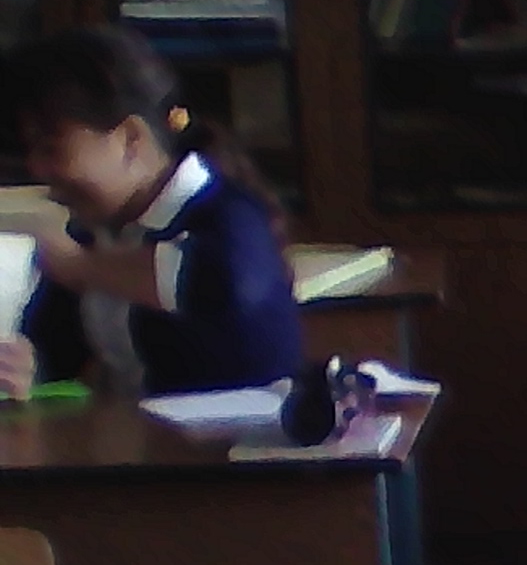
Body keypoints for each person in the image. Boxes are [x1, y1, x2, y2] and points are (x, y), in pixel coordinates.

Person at [0, 24, 301, 400]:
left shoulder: (231, 215)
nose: (37, 169)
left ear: (131, 139)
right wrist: (28, 370)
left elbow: (216, 283)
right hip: (137, 435)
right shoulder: (93, 231)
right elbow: (54, 352)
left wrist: (79, 265)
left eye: (51, 149)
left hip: (239, 435)